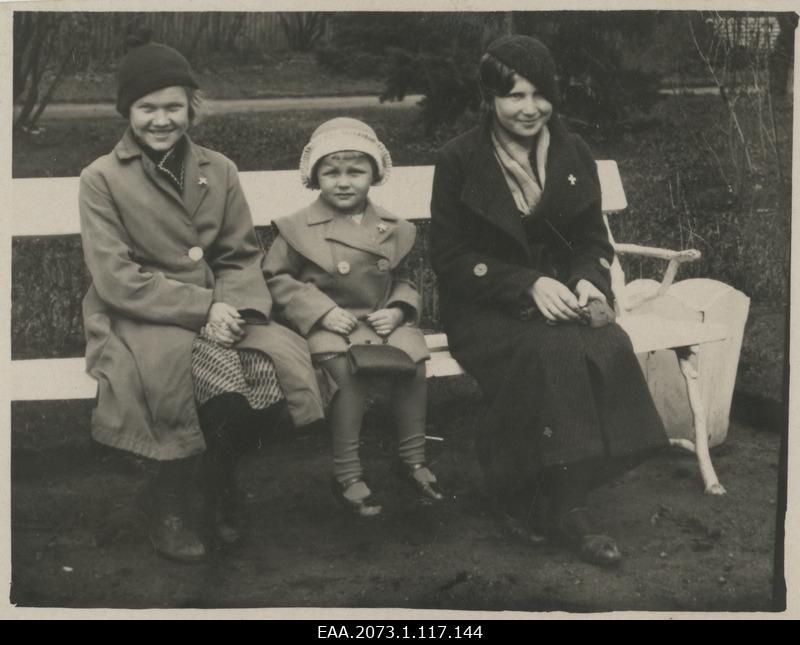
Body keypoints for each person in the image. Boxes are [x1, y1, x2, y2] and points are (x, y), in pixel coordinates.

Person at [79, 32, 324, 563]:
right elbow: (116, 277)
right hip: (141, 314)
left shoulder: (221, 168)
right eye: (147, 108)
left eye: (174, 106)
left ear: (192, 107)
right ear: (128, 111)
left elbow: (239, 254)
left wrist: (233, 307)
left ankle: (216, 486)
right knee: (188, 384)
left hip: (222, 308)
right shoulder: (101, 178)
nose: (161, 119)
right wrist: (200, 309)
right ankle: (167, 501)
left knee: (271, 370)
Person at [429, 35, 668, 566]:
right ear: (489, 98)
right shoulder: (460, 159)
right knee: (552, 354)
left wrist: (588, 280)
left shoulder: (572, 151)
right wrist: (525, 284)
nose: (529, 108)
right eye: (514, 95)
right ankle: (550, 502)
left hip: (564, 299)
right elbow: (450, 257)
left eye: (540, 94)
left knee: (608, 344)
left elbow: (591, 241)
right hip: (485, 308)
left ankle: (549, 491)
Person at [263, 117, 445, 517]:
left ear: (375, 174)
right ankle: (347, 473)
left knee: (414, 364)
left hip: (379, 320)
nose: (343, 182)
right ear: (314, 177)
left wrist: (398, 310)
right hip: (330, 324)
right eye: (331, 172)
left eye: (355, 171)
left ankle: (413, 460)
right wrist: (321, 311)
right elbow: (275, 278)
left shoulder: (390, 227)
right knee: (346, 375)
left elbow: (404, 279)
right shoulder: (298, 228)